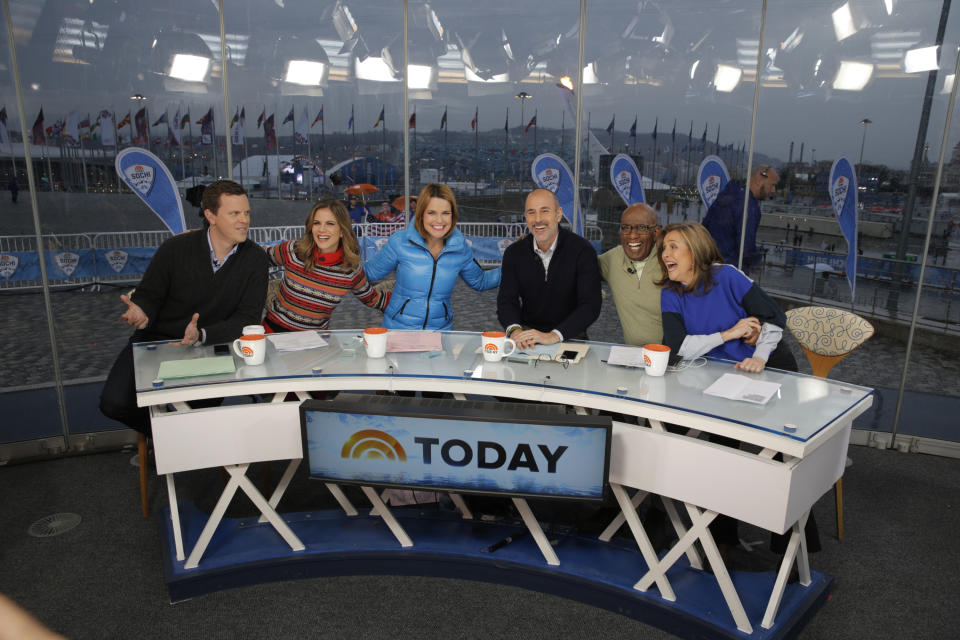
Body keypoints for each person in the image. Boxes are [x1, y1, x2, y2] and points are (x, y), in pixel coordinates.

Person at [656, 221, 818, 560]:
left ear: (695, 250)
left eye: (673, 246)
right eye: (664, 248)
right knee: (724, 451)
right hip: (724, 376)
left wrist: (759, 356)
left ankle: (795, 549)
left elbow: (774, 317)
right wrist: (729, 334)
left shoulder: (727, 276)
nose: (665, 254)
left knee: (781, 455)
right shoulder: (670, 292)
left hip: (770, 366)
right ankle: (722, 540)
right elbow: (678, 346)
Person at [99, 180, 269, 436]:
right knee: (114, 403)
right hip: (157, 340)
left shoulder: (255, 259)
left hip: (209, 347)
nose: (244, 220)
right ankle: (171, 438)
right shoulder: (175, 249)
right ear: (210, 215)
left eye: (246, 213)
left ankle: (179, 440)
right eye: (234, 213)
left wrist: (201, 335)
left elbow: (247, 318)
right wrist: (141, 312)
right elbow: (149, 295)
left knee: (195, 414)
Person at [364, 183, 500, 330]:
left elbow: (480, 281)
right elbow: (369, 273)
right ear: (421, 213)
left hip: (439, 333)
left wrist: (517, 264)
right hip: (398, 330)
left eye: (446, 213)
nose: (439, 220)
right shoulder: (400, 242)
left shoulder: (460, 247)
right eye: (432, 213)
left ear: (453, 215)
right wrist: (339, 260)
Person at [264, 198, 390, 332]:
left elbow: (372, 298)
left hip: (316, 341)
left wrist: (408, 299)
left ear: (342, 230)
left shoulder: (351, 269)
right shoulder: (294, 250)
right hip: (274, 333)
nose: (321, 230)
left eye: (330, 224)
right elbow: (258, 259)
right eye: (316, 223)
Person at [497, 188, 601, 349]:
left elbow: (590, 305)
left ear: (558, 214)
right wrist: (515, 331)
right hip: (527, 337)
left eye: (544, 211)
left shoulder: (582, 250)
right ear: (526, 217)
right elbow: (506, 301)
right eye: (531, 212)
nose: (538, 219)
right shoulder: (514, 253)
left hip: (571, 336)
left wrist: (553, 336)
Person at [599, 203, 663, 347]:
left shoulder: (670, 260)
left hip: (679, 357)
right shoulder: (613, 258)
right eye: (626, 228)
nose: (633, 235)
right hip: (636, 357)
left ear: (656, 233)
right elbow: (580, 269)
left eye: (642, 228)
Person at [702, 165, 778, 273]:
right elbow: (745, 247)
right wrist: (757, 257)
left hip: (710, 267)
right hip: (731, 271)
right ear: (759, 180)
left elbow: (704, 228)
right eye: (772, 185)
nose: (773, 190)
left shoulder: (726, 195)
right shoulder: (748, 205)